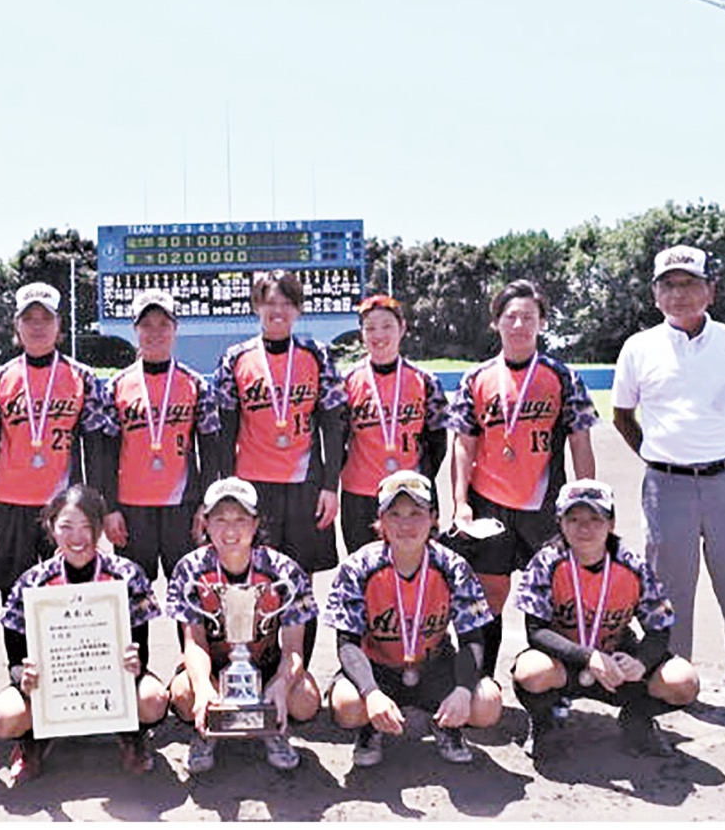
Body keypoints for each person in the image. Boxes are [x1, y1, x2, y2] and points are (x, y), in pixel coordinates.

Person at [611, 244, 725, 718]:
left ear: (711, 291)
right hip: (667, 484)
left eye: (689, 283)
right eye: (668, 284)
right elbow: (623, 416)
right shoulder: (638, 347)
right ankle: (672, 678)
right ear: (655, 294)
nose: (679, 293)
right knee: (668, 588)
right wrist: (662, 454)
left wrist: (719, 451)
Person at [448, 279, 597, 679]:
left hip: (543, 507)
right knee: (488, 596)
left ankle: (552, 687)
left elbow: (580, 441)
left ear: (542, 323)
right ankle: (480, 682)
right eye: (510, 316)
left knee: (553, 596)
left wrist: (587, 501)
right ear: (496, 322)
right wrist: (460, 503)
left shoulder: (562, 376)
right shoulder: (476, 378)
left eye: (528, 317)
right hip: (489, 505)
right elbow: (463, 445)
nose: (519, 325)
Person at [0, 485, 168, 786]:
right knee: (3, 719)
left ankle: (131, 736)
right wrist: (24, 678)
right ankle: (34, 741)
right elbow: (15, 655)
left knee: (154, 699)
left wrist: (135, 663)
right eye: (66, 526)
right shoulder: (33, 581)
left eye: (87, 526)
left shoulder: (127, 574)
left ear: (99, 527)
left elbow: (141, 645)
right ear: (51, 528)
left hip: (113, 683)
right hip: (51, 686)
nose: (77, 537)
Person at [212, 269, 347, 664]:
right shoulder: (235, 358)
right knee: (250, 580)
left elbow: (332, 424)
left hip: (305, 486)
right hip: (253, 489)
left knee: (299, 583)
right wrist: (227, 494)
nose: (278, 311)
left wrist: (330, 486)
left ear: (298, 310)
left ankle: (297, 669)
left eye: (287, 303)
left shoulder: (317, 355)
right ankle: (251, 669)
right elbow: (225, 431)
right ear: (256, 306)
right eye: (270, 302)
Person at [325, 470, 502, 768]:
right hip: (378, 668)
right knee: (347, 705)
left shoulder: (452, 566)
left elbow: (472, 637)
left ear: (433, 518)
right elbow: (347, 642)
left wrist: (462, 688)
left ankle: (445, 724)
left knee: (487, 704)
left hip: (434, 667)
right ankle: (370, 727)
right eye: (394, 514)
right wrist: (370, 692)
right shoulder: (359, 566)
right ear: (380, 520)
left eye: (416, 513)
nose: (405, 524)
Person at [512, 479, 700, 758]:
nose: (584, 528)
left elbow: (659, 629)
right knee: (531, 671)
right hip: (564, 661)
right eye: (573, 519)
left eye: (595, 519)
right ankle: (544, 722)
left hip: (617, 663)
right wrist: (587, 657)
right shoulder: (546, 562)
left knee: (683, 681)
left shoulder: (632, 565)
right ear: (559, 522)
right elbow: (536, 631)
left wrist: (641, 662)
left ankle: (637, 719)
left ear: (611, 523)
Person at [0, 282, 117, 604]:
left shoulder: (83, 378)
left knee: (69, 594)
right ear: (17, 325)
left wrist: (95, 506)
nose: (37, 326)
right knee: (14, 598)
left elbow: (95, 450)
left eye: (45, 318)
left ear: (59, 325)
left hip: (64, 505)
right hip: (8, 503)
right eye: (29, 319)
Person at [167, 477, 321, 774]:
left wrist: (282, 683)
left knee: (305, 700)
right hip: (215, 669)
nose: (230, 530)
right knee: (184, 695)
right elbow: (194, 641)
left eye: (240, 519)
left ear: (256, 523)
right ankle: (206, 728)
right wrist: (203, 687)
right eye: (220, 520)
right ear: (205, 523)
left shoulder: (284, 570)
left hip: (265, 668)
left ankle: (273, 725)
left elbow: (293, 648)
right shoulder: (190, 569)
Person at [104, 288, 222, 581]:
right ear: (135, 330)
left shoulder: (196, 385)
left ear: (175, 328)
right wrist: (110, 509)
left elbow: (211, 454)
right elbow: (104, 456)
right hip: (132, 508)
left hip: (183, 507)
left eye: (163, 324)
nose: (155, 332)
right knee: (133, 596)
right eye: (146, 325)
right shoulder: (115, 386)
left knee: (189, 592)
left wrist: (206, 506)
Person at [341, 294, 449, 553]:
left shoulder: (425, 381)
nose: (379, 335)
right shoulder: (346, 382)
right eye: (370, 328)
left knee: (415, 566)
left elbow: (438, 441)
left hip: (411, 493)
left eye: (387, 326)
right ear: (361, 334)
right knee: (363, 568)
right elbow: (337, 440)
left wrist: (421, 478)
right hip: (361, 494)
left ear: (402, 328)